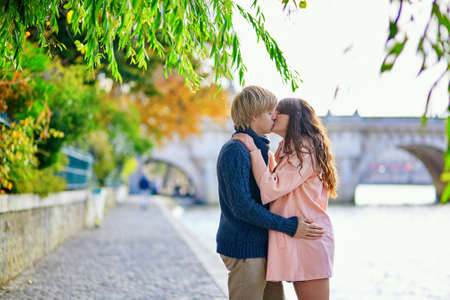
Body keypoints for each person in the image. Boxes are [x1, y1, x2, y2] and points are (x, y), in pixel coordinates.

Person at [216, 86, 324, 300]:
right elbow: (242, 207)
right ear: (254, 115)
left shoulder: (259, 150)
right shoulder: (236, 150)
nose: (274, 116)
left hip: (262, 248)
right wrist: (289, 226)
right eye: (269, 112)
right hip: (244, 249)